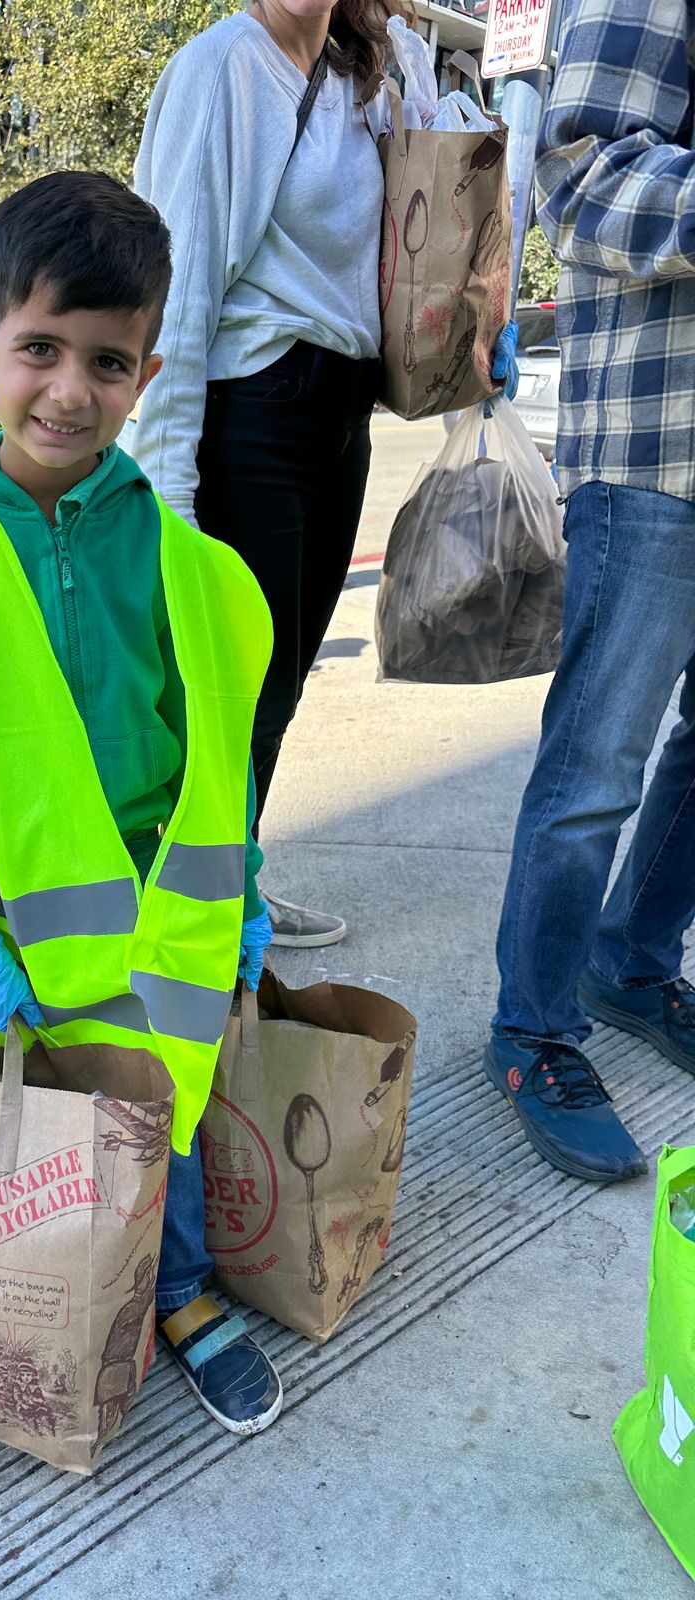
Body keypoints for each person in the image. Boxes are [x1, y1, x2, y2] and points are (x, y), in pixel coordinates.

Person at [0, 171, 284, 1435]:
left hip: (139, 910)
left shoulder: (174, 554)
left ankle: (176, 1289)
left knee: (151, 1098)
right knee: (17, 1116)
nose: (70, 391)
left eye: (108, 362)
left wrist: (240, 889)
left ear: (147, 374)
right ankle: (29, 1291)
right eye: (40, 350)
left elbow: (214, 741)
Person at [132, 0, 518, 950]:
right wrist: (166, 493)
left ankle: (233, 883)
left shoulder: (371, 71)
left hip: (340, 415)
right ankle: (188, 914)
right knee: (231, 695)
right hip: (251, 411)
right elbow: (176, 296)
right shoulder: (225, 70)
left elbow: (435, 205)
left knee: (280, 689)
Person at [482, 0, 695, 1184]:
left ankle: (633, 962)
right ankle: (533, 1027)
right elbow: (581, 173)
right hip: (659, 444)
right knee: (595, 766)